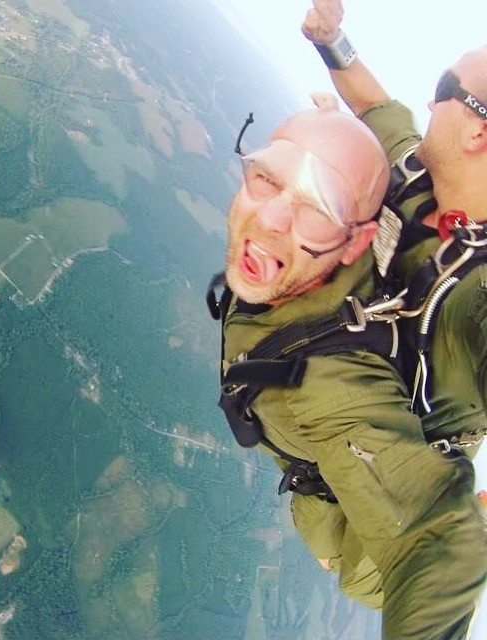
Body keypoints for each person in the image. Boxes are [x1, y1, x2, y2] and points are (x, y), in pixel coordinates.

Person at [216, 105, 487, 640]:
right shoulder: (397, 194)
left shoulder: (322, 387)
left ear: (357, 242)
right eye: (268, 177)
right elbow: (383, 115)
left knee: (354, 574)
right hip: (330, 489)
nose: (270, 222)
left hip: (361, 537)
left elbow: (437, 552)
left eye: (320, 208)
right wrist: (331, 41)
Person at [291, 0, 487, 634]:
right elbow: (377, 107)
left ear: (477, 132)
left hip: (380, 524)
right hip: (326, 453)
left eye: (443, 90)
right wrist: (331, 39)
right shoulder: (416, 173)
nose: (428, 104)